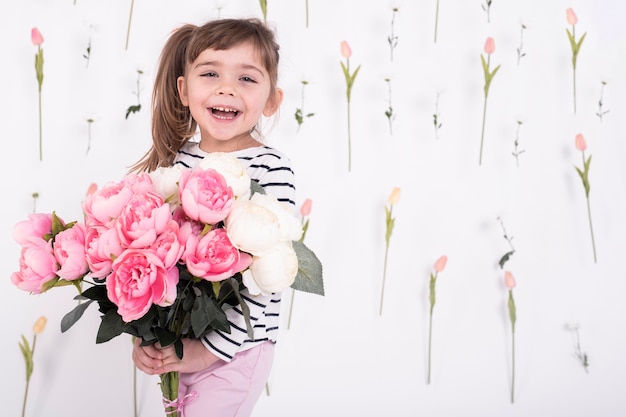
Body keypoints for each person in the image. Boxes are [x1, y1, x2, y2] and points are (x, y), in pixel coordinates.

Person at [130, 18, 295, 417]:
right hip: (182, 343)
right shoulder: (176, 163)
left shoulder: (271, 168)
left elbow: (267, 279)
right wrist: (144, 338)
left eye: (246, 79)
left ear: (271, 100)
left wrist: (208, 352)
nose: (226, 88)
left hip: (236, 350)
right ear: (184, 90)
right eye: (210, 73)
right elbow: (156, 260)